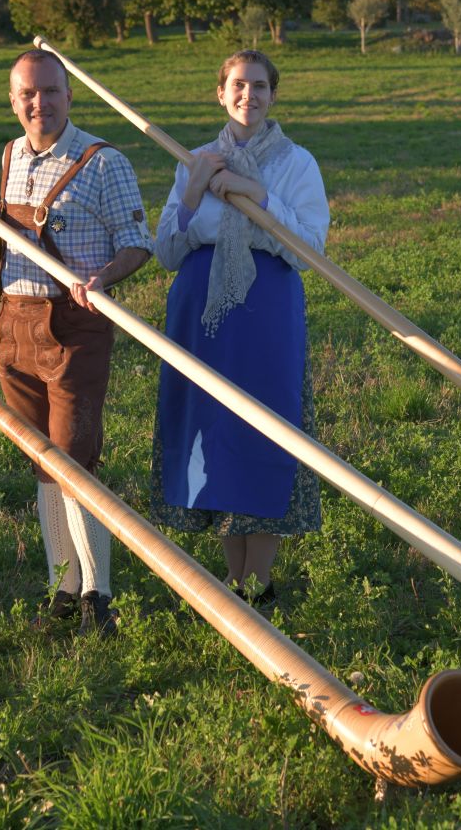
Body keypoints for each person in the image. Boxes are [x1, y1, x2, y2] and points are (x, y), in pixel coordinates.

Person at [0, 50, 152, 636]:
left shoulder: (103, 162)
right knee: (42, 462)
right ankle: (62, 587)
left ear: (68, 94)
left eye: (50, 92)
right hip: (14, 322)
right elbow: (16, 237)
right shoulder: (10, 154)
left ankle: (98, 596)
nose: (39, 104)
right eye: (26, 94)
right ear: (13, 101)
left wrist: (104, 278)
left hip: (75, 326)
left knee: (76, 462)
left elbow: (139, 242)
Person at [152, 49, 329, 606]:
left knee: (267, 431)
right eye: (238, 85)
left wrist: (261, 197)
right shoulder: (194, 159)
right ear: (221, 94)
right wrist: (191, 191)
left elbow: (309, 248)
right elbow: (165, 250)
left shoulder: (296, 163)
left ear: (273, 95)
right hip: (201, 314)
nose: (248, 94)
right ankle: (235, 585)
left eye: (259, 85)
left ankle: (261, 582)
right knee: (216, 435)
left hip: (266, 314)